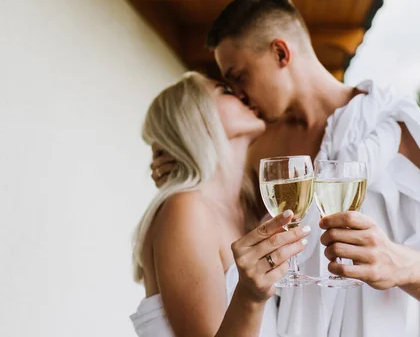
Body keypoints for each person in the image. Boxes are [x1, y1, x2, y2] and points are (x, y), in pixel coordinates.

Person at [152, 0, 420, 336]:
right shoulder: (261, 147)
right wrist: (179, 158)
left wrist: (395, 263)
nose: (239, 94)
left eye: (240, 76)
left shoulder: (387, 127)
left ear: (280, 52)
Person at [130, 72, 312, 337]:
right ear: (194, 118)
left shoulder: (250, 212)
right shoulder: (186, 209)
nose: (242, 94)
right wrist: (249, 298)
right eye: (225, 90)